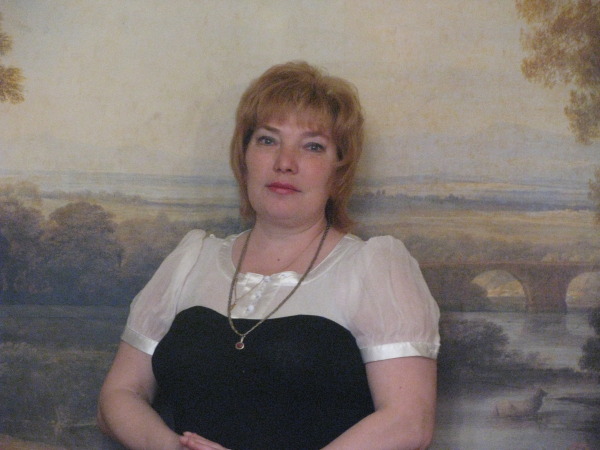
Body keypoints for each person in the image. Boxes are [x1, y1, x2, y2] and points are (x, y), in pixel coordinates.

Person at [97, 61, 440, 450]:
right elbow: (118, 396)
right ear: (243, 157)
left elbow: (409, 422)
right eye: (267, 140)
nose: (284, 162)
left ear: (338, 170)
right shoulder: (192, 260)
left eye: (313, 146)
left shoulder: (374, 268)